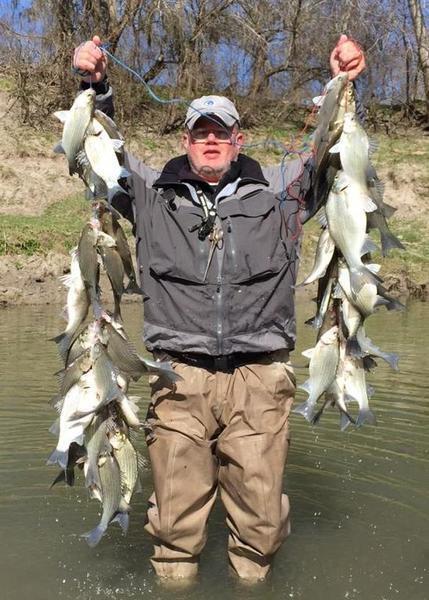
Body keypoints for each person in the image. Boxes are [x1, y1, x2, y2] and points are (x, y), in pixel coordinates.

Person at [72, 34, 365, 582]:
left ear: (238, 140)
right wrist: (96, 86)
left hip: (259, 378)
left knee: (260, 528)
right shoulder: (151, 194)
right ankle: (176, 584)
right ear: (186, 139)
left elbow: (334, 156)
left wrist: (345, 85)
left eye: (220, 133)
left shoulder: (280, 192)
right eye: (200, 132)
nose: (210, 141)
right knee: (175, 527)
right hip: (177, 378)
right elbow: (98, 152)